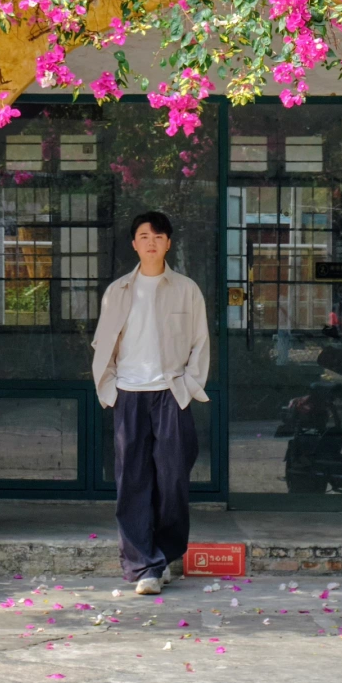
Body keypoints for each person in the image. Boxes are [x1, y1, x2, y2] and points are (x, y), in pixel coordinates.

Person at [91, 210, 210, 594]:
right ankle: (144, 567)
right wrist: (108, 387)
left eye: (159, 235)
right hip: (128, 395)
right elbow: (102, 345)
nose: (152, 241)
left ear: (169, 243)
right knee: (133, 482)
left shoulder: (186, 289)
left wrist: (189, 386)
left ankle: (164, 554)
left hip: (170, 394)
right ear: (134, 244)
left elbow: (200, 343)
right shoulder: (117, 292)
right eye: (144, 235)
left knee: (173, 480)